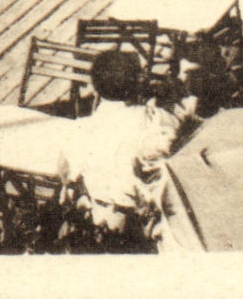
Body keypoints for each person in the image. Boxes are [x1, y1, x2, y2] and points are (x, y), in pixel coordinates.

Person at [59, 49, 179, 247]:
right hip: (150, 228)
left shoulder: (81, 128)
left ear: (95, 88)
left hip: (101, 223)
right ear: (138, 83)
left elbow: (67, 174)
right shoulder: (155, 119)